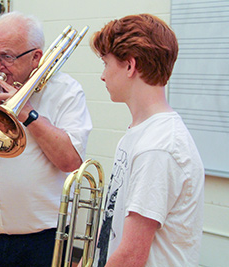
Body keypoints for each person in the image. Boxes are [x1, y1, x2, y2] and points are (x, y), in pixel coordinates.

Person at [0, 11, 92, 266]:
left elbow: (70, 161)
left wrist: (28, 115)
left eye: (7, 57)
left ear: (36, 57)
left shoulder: (66, 91)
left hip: (40, 242)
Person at [82, 14, 204, 266]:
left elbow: (131, 257)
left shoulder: (158, 147)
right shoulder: (141, 133)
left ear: (129, 66)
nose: (103, 76)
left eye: (106, 63)